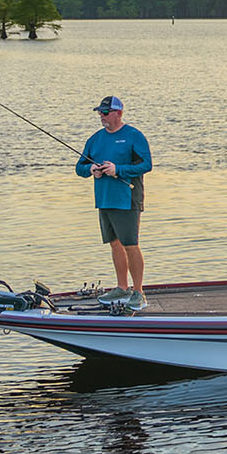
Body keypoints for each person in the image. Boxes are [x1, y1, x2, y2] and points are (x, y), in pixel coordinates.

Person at [76, 95, 153, 311]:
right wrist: (91, 170)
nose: (101, 116)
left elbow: (146, 165)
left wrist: (118, 170)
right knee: (114, 243)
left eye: (105, 112)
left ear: (119, 113)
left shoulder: (133, 136)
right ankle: (122, 287)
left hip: (127, 199)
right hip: (104, 198)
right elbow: (79, 167)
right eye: (100, 112)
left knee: (130, 244)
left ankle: (139, 292)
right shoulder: (95, 139)